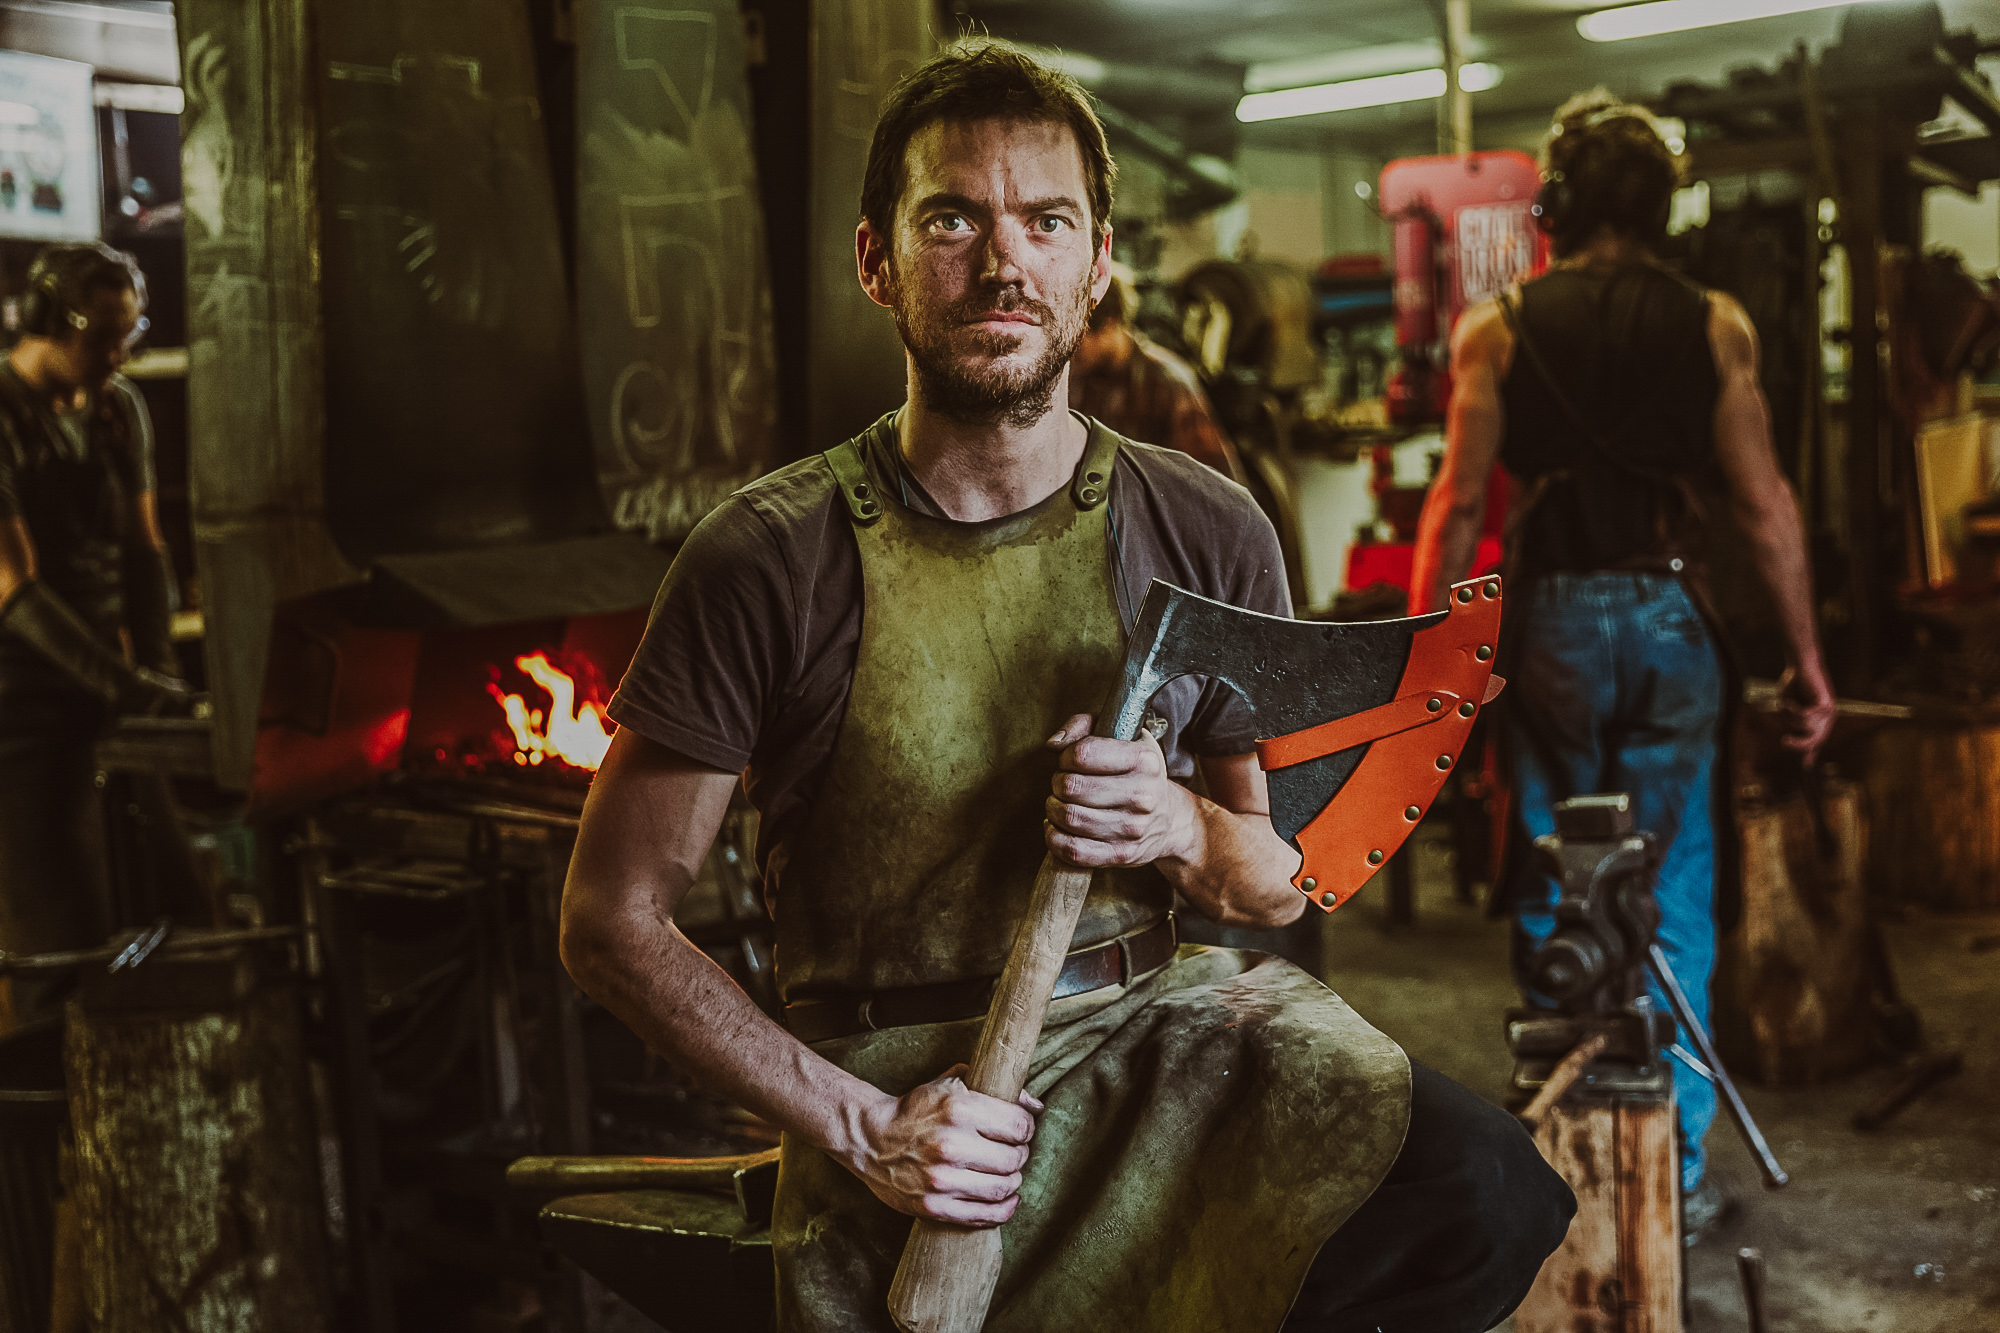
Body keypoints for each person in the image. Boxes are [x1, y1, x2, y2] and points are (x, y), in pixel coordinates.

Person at [563, 41, 1571, 1333]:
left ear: (1097, 263)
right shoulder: (771, 553)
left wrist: (1178, 826)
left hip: (1156, 1033)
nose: (1003, 262)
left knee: (1484, 1192)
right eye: (953, 220)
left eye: (1046, 221)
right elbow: (611, 918)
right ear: (876, 259)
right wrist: (862, 1126)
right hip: (906, 1087)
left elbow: (1276, 879)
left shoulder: (1203, 522)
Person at [1407, 90, 1837, 1237]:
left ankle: (1558, 1168)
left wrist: (1423, 667)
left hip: (1546, 622)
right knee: (1672, 886)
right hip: (1668, 615)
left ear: (1562, 204)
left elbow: (1454, 509)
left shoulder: (1494, 328)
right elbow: (1761, 507)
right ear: (1661, 207)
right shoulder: (1714, 324)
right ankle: (1674, 1178)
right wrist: (1806, 662)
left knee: (1558, 871)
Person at [0, 241, 190, 1027]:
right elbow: (14, 587)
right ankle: (51, 1130)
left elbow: (145, 552)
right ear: (53, 321)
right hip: (21, 711)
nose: (118, 354)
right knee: (63, 942)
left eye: (130, 336)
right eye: (103, 338)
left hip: (110, 694)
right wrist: (128, 686)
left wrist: (158, 672)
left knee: (181, 906)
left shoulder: (118, 409)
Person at [1067, 265, 1246, 483]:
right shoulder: (1077, 377)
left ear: (1109, 322)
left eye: (1077, 339)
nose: (1067, 351)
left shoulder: (1167, 382)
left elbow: (1214, 481)